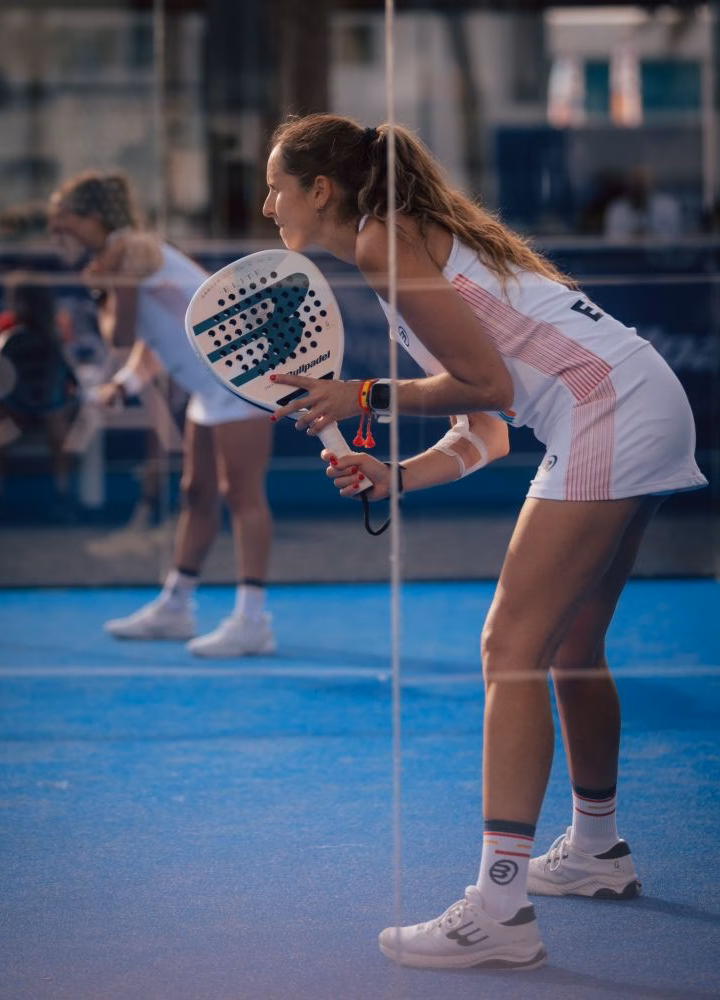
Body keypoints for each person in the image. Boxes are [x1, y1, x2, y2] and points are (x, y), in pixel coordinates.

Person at [262, 114, 707, 970]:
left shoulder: (382, 242)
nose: (267, 201)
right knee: (571, 645)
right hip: (632, 395)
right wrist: (395, 474)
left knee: (510, 648)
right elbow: (487, 429)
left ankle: (500, 907)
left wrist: (357, 394)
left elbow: (486, 384)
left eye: (278, 185)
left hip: (607, 407)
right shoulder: (401, 244)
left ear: (322, 190)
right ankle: (597, 852)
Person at [48, 170, 276, 658]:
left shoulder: (129, 252)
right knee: (196, 494)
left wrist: (103, 289)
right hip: (208, 389)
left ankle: (254, 619)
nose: (55, 232)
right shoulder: (123, 252)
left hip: (243, 379)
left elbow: (122, 334)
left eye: (61, 221)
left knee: (242, 495)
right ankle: (176, 607)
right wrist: (124, 384)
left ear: (90, 218)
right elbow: (153, 340)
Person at [0, 271, 80, 513]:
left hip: (48, 404)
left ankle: (62, 492)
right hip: (13, 404)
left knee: (57, 422)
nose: (22, 305)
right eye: (17, 298)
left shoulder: (57, 326)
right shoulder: (0, 327)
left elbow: (65, 370)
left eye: (27, 298)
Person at [603, 165, 683, 240]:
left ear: (652, 184)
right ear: (629, 186)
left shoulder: (668, 207)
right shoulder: (617, 209)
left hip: (659, 252)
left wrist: (650, 236)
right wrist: (632, 237)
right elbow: (613, 239)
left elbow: (675, 236)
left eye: (642, 185)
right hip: (626, 253)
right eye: (635, 185)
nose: (639, 190)